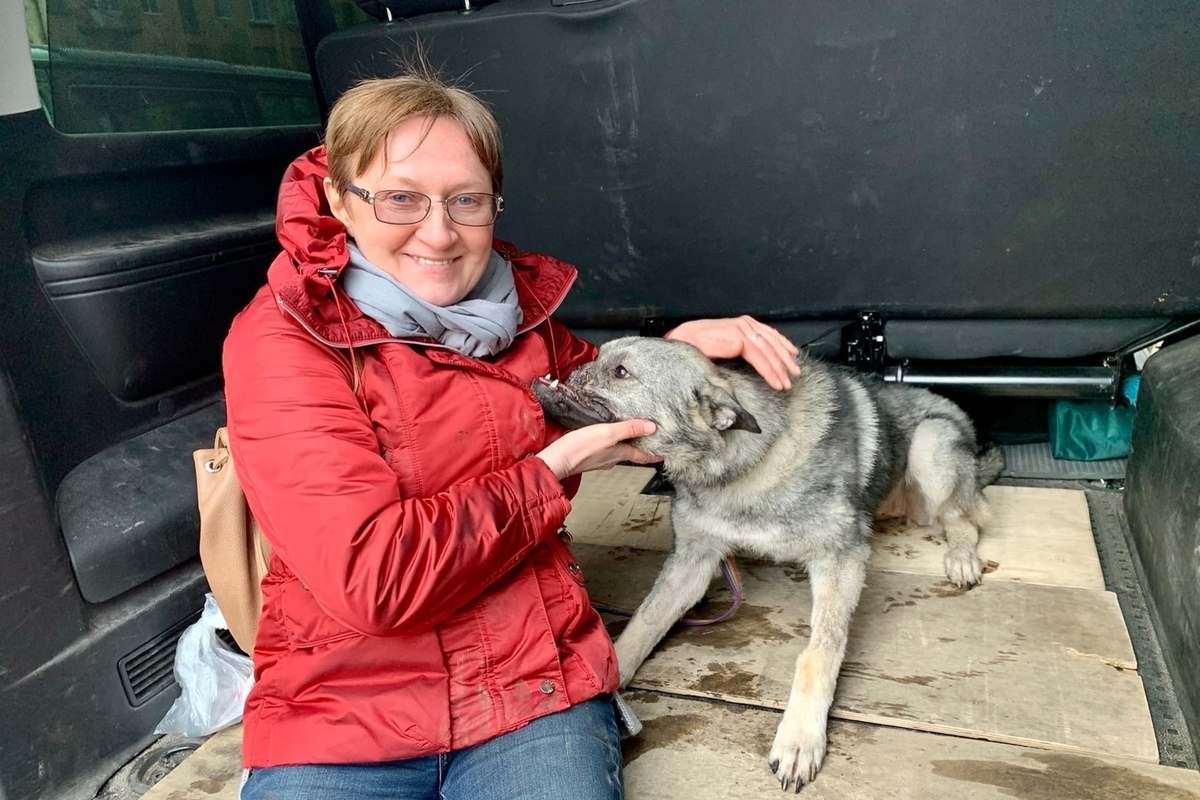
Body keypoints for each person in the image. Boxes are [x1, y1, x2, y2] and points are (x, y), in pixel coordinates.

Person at [223, 71, 801, 800]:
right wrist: (550, 470)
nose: (439, 231)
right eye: (401, 197)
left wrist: (679, 350)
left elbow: (599, 388)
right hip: (342, 704)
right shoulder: (282, 340)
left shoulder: (515, 313)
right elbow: (374, 582)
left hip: (531, 684)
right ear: (341, 198)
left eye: (466, 200)